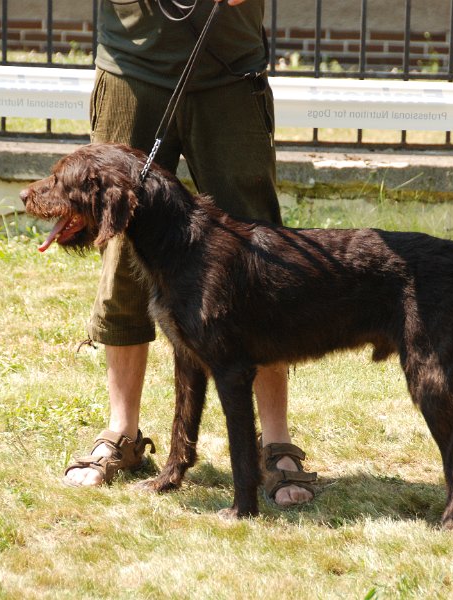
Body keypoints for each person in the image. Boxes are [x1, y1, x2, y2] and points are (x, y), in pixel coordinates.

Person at [62, 0, 317, 507]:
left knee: (259, 258)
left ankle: (276, 442)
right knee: (122, 257)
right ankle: (122, 435)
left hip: (230, 70)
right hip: (132, 67)